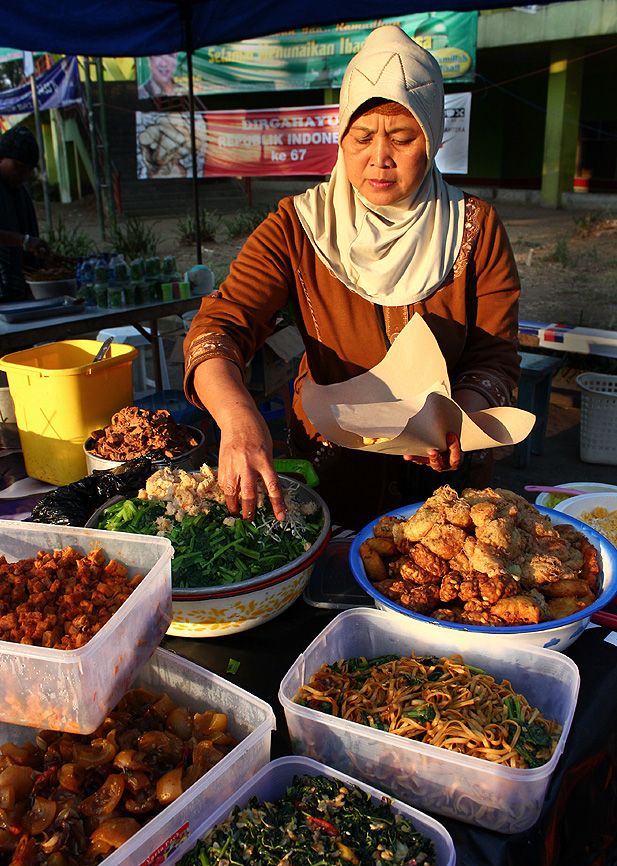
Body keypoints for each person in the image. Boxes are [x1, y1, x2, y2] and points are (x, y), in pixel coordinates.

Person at [183, 25, 520, 529]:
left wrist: (459, 419)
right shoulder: (300, 226)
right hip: (332, 471)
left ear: (431, 140)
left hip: (444, 490)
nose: (378, 159)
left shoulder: (473, 227)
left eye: (403, 139)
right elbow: (221, 326)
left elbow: (495, 352)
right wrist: (237, 417)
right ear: (341, 136)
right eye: (362, 138)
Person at [0, 125, 48, 303]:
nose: (23, 174)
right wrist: (24, 241)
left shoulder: (20, 191)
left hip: (17, 291)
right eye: (18, 166)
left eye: (28, 169)